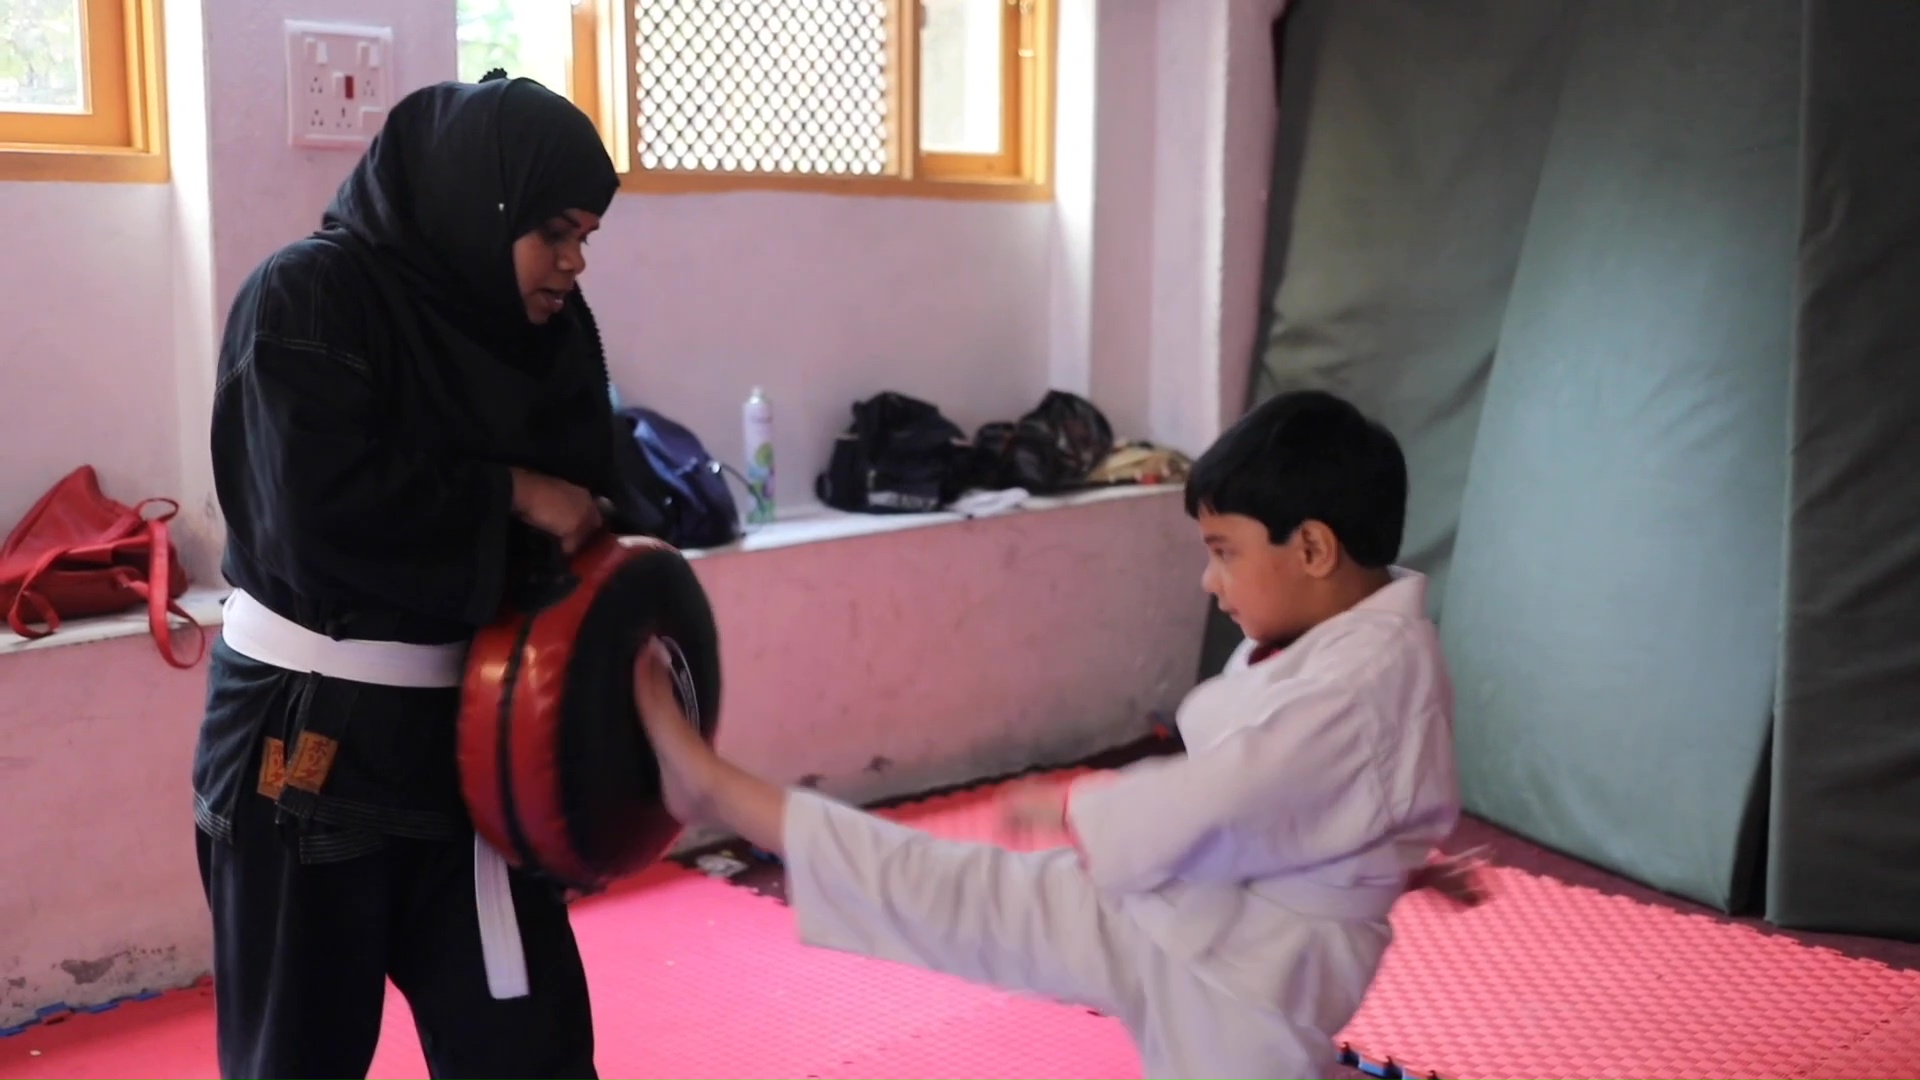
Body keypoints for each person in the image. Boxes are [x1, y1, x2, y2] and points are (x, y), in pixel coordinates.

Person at [631, 389, 1482, 1080]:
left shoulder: (1363, 681)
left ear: (1315, 548)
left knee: (952, 890)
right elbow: (1325, 797)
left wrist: (1082, 805)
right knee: (949, 888)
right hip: (1216, 925)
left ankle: (714, 787)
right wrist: (1388, 865)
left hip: (1236, 973)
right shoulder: (1372, 642)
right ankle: (713, 785)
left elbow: (1227, 798)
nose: (1209, 579)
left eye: (1224, 551)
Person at [191, 72, 634, 1080]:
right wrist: (513, 492)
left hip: (483, 751)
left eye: (585, 237)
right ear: (487, 205)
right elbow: (316, 522)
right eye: (553, 231)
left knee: (533, 1055)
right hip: (304, 755)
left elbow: (599, 507)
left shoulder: (549, 332)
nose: (571, 262)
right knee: (294, 1062)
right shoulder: (307, 297)